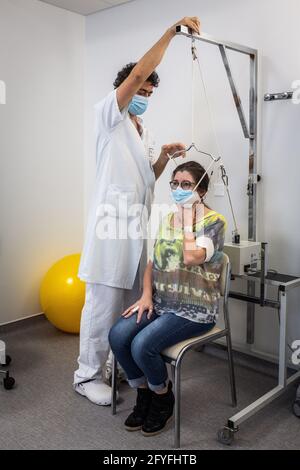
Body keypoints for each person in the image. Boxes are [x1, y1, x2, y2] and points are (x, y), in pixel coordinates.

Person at [74, 17, 201, 405]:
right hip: (110, 232)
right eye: (139, 87)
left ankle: (115, 367)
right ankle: (86, 376)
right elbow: (143, 68)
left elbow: (149, 178)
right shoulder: (109, 115)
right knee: (102, 308)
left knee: (130, 307)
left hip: (135, 232)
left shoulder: (142, 129)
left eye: (149, 91)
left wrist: (162, 156)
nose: (144, 93)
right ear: (124, 89)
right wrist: (172, 32)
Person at [109, 161, 227, 436]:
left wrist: (188, 223)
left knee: (142, 346)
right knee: (117, 335)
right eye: (175, 184)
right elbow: (153, 263)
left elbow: (192, 257)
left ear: (202, 190)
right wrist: (146, 295)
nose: (178, 189)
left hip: (194, 311)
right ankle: (144, 393)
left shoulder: (215, 222)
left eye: (186, 184)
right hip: (161, 303)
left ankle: (162, 396)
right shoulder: (167, 219)